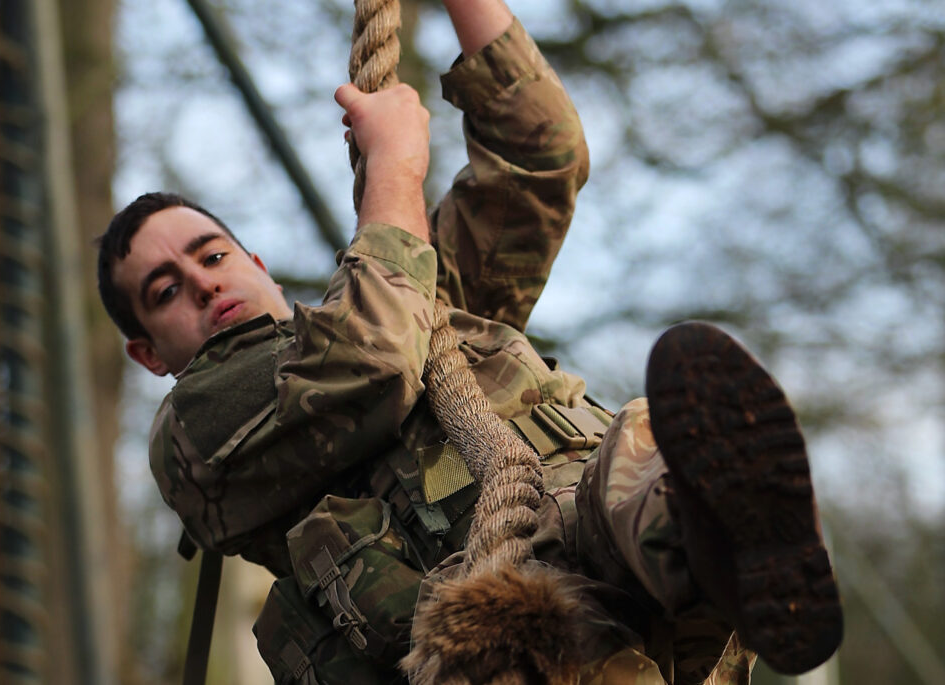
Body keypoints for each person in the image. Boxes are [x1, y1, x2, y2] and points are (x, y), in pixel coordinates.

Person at [96, 1, 843, 683]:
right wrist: (395, 164)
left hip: (596, 523)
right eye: (164, 291)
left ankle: (724, 534)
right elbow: (373, 358)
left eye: (211, 253)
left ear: (255, 263)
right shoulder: (195, 433)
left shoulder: (410, 294)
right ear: (149, 354)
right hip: (493, 635)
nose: (200, 283)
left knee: (642, 452)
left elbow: (538, 157)